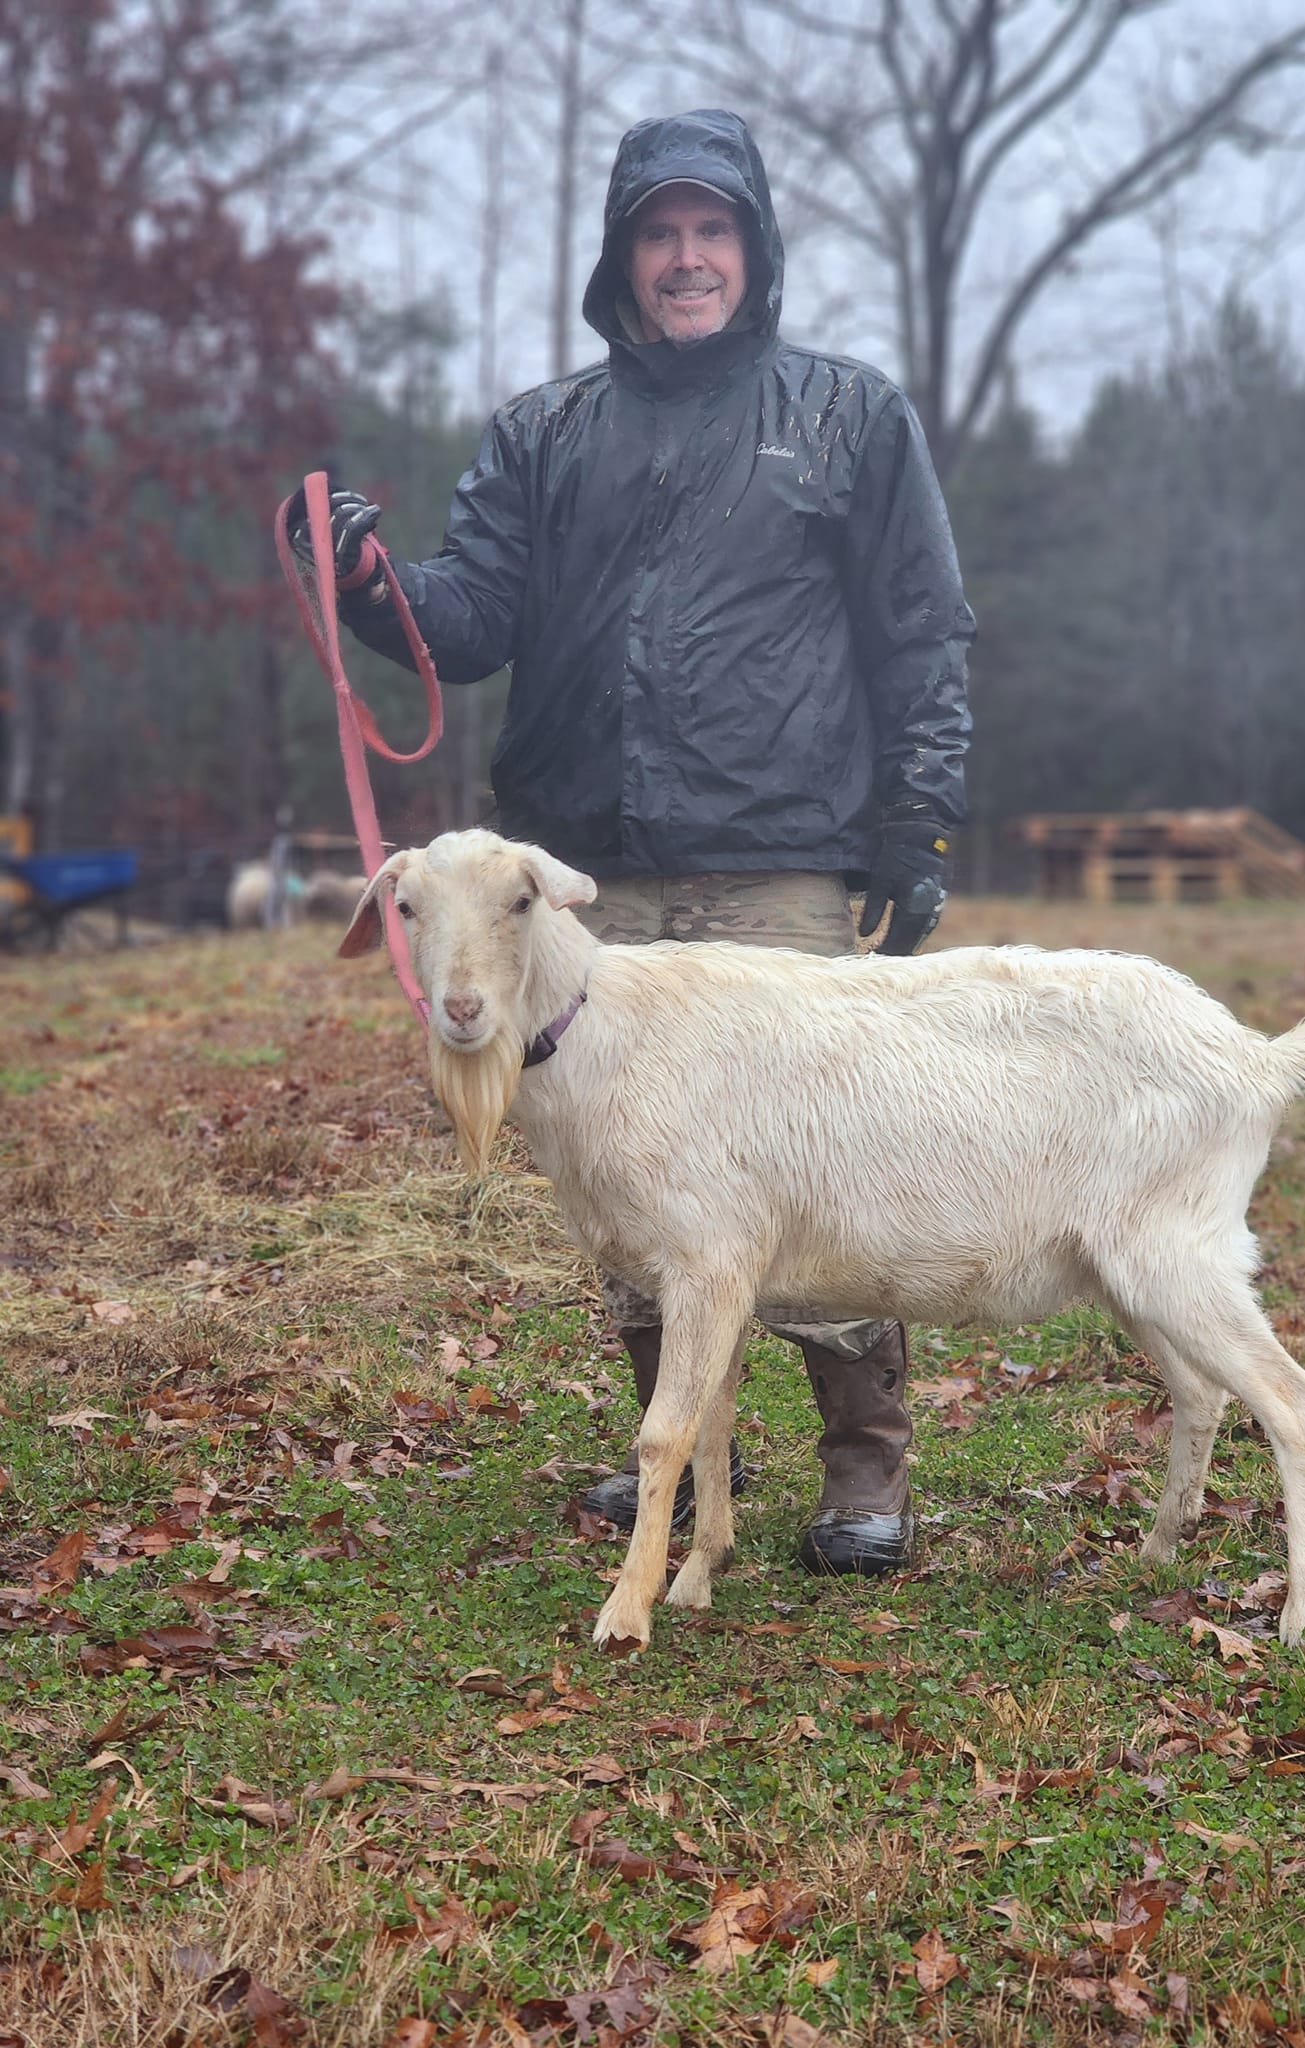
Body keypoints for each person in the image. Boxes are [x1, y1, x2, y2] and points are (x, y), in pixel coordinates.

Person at [289, 108, 974, 1577]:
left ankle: (864, 1477)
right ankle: (684, 1463)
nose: (684, 259)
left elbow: (923, 630)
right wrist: (363, 580)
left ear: (755, 248)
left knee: (819, 1171)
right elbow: (461, 620)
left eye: (710, 230)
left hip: (779, 859)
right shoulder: (544, 434)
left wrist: (914, 823)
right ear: (622, 257)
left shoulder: (850, 416)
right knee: (628, 1182)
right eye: (658, 234)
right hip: (585, 884)